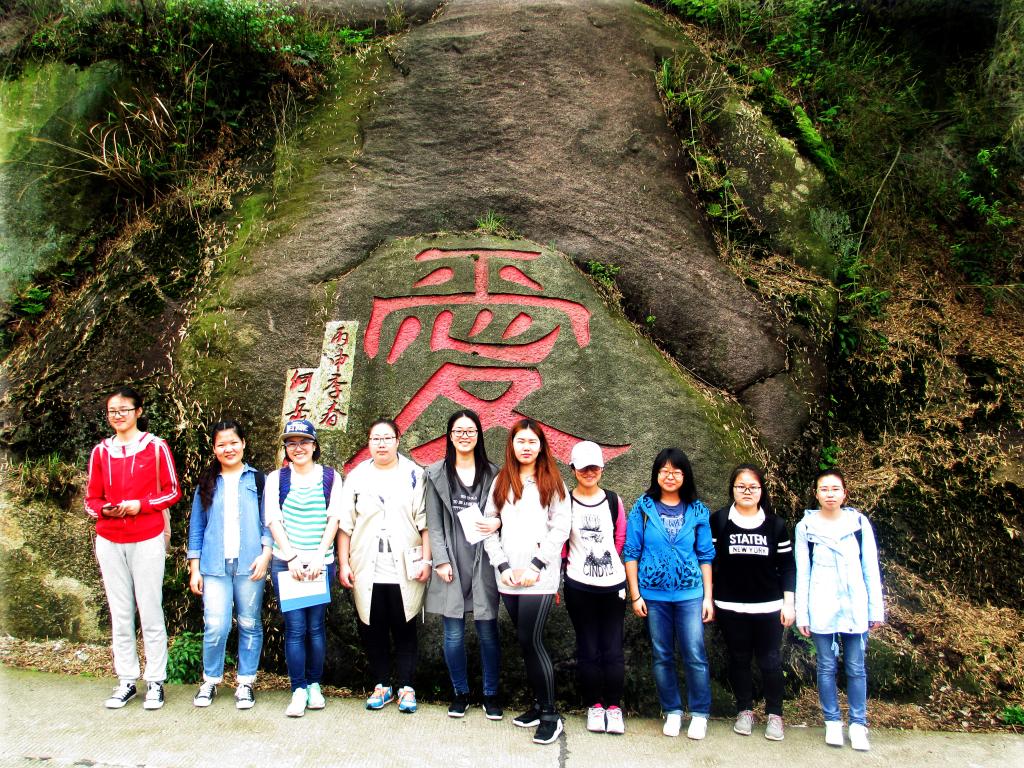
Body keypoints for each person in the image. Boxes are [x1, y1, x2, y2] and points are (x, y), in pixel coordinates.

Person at [85, 385, 181, 710]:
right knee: (120, 611)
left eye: (125, 410)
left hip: (147, 537)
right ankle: (126, 679)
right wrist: (104, 510)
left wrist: (142, 505)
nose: (118, 416)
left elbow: (172, 491)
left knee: (150, 608)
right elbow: (91, 499)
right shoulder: (101, 452)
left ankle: (155, 680)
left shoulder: (156, 447)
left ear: (138, 411)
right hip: (110, 539)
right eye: (113, 411)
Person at [482, 418, 571, 745]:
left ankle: (550, 715)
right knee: (524, 642)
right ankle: (537, 705)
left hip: (539, 578)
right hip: (508, 576)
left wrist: (536, 565)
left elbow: (560, 529)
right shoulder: (501, 481)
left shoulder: (553, 482)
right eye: (521, 441)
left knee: (531, 640)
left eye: (533, 441)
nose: (526, 447)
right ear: (512, 445)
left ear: (541, 446)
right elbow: (488, 526)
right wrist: (502, 564)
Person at [338, 418, 430, 714]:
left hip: (405, 564)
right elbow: (345, 525)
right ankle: (382, 684)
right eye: (375, 438)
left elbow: (425, 523)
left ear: (397, 440)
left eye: (387, 438)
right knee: (372, 626)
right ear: (368, 442)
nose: (381, 443)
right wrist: (343, 563)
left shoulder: (415, 474)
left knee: (405, 625)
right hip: (367, 564)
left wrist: (427, 560)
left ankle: (406, 687)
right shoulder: (356, 477)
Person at [623, 448, 714, 740]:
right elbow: (631, 552)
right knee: (662, 654)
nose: (670, 476)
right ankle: (672, 710)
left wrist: (708, 597)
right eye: (664, 471)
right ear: (656, 474)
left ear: (685, 476)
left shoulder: (697, 510)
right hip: (654, 595)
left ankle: (699, 713)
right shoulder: (643, 507)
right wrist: (635, 595)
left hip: (690, 594)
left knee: (694, 653)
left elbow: (705, 555)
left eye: (676, 471)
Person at [795, 468, 884, 752]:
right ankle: (832, 721)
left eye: (835, 489)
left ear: (845, 493)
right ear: (816, 493)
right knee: (826, 666)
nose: (830, 494)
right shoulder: (806, 527)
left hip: (854, 604)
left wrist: (875, 609)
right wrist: (802, 613)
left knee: (856, 667)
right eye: (824, 489)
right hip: (821, 604)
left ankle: (858, 724)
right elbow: (802, 573)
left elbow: (870, 568)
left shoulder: (858, 524)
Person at [187, 420, 272, 710]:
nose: (229, 449)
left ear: (244, 444)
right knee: (215, 625)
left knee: (250, 622)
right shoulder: (207, 482)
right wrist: (194, 568)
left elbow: (269, 521)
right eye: (221, 444)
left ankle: (245, 682)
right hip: (214, 566)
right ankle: (210, 680)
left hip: (250, 564)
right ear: (214, 448)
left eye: (234, 442)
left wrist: (266, 554)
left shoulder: (257, 480)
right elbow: (197, 527)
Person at [424, 410, 503, 719]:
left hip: (484, 560)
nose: (464, 436)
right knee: (453, 634)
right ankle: (460, 693)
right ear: (450, 435)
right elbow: (434, 523)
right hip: (452, 562)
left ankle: (491, 694)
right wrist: (441, 560)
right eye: (458, 431)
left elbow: (505, 513)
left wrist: (498, 522)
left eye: (470, 431)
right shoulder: (436, 473)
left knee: (488, 632)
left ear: (479, 435)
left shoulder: (493, 473)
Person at [710, 464, 795, 741]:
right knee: (739, 659)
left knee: (770, 661)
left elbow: (787, 566)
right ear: (732, 489)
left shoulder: (776, 525)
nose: (747, 491)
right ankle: (744, 710)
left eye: (753, 487)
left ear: (761, 490)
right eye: (741, 486)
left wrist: (789, 603)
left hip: (769, 607)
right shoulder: (719, 520)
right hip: (730, 605)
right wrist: (708, 598)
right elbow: (709, 561)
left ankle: (775, 714)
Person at [265, 419, 343, 718]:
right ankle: (298, 688)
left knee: (316, 627)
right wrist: (292, 557)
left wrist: (319, 556)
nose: (298, 448)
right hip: (287, 563)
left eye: (304, 442)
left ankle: (314, 685)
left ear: (314, 445)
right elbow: (273, 519)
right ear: (286, 448)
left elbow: (334, 518)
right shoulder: (277, 478)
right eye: (291, 443)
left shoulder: (330, 477)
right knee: (296, 628)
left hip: (320, 562)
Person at [564, 440, 628, 735]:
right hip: (578, 584)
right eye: (583, 468)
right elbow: (562, 542)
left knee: (612, 647)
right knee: (588, 646)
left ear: (602, 468)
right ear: (573, 469)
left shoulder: (613, 500)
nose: (589, 472)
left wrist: (611, 567)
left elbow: (620, 539)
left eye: (594, 467)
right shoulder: (566, 501)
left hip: (612, 585)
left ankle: (614, 707)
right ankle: (594, 705)